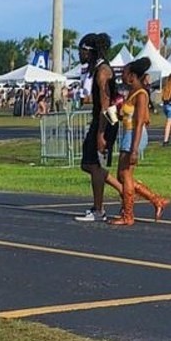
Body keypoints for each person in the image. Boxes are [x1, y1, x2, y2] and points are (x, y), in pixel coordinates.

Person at [109, 58, 168, 227]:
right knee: (123, 176)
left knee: (125, 175)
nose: (122, 76)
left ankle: (128, 215)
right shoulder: (132, 93)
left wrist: (134, 149)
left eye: (124, 73)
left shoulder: (141, 94)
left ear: (132, 76)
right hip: (129, 133)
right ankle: (156, 200)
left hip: (134, 135)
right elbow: (127, 116)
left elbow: (140, 122)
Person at [74, 32, 123, 222]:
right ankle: (122, 189)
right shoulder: (97, 69)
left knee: (95, 165)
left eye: (81, 50)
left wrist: (101, 134)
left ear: (88, 51)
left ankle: (98, 209)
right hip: (101, 119)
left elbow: (105, 105)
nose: (79, 54)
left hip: (106, 121)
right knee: (88, 164)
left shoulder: (102, 71)